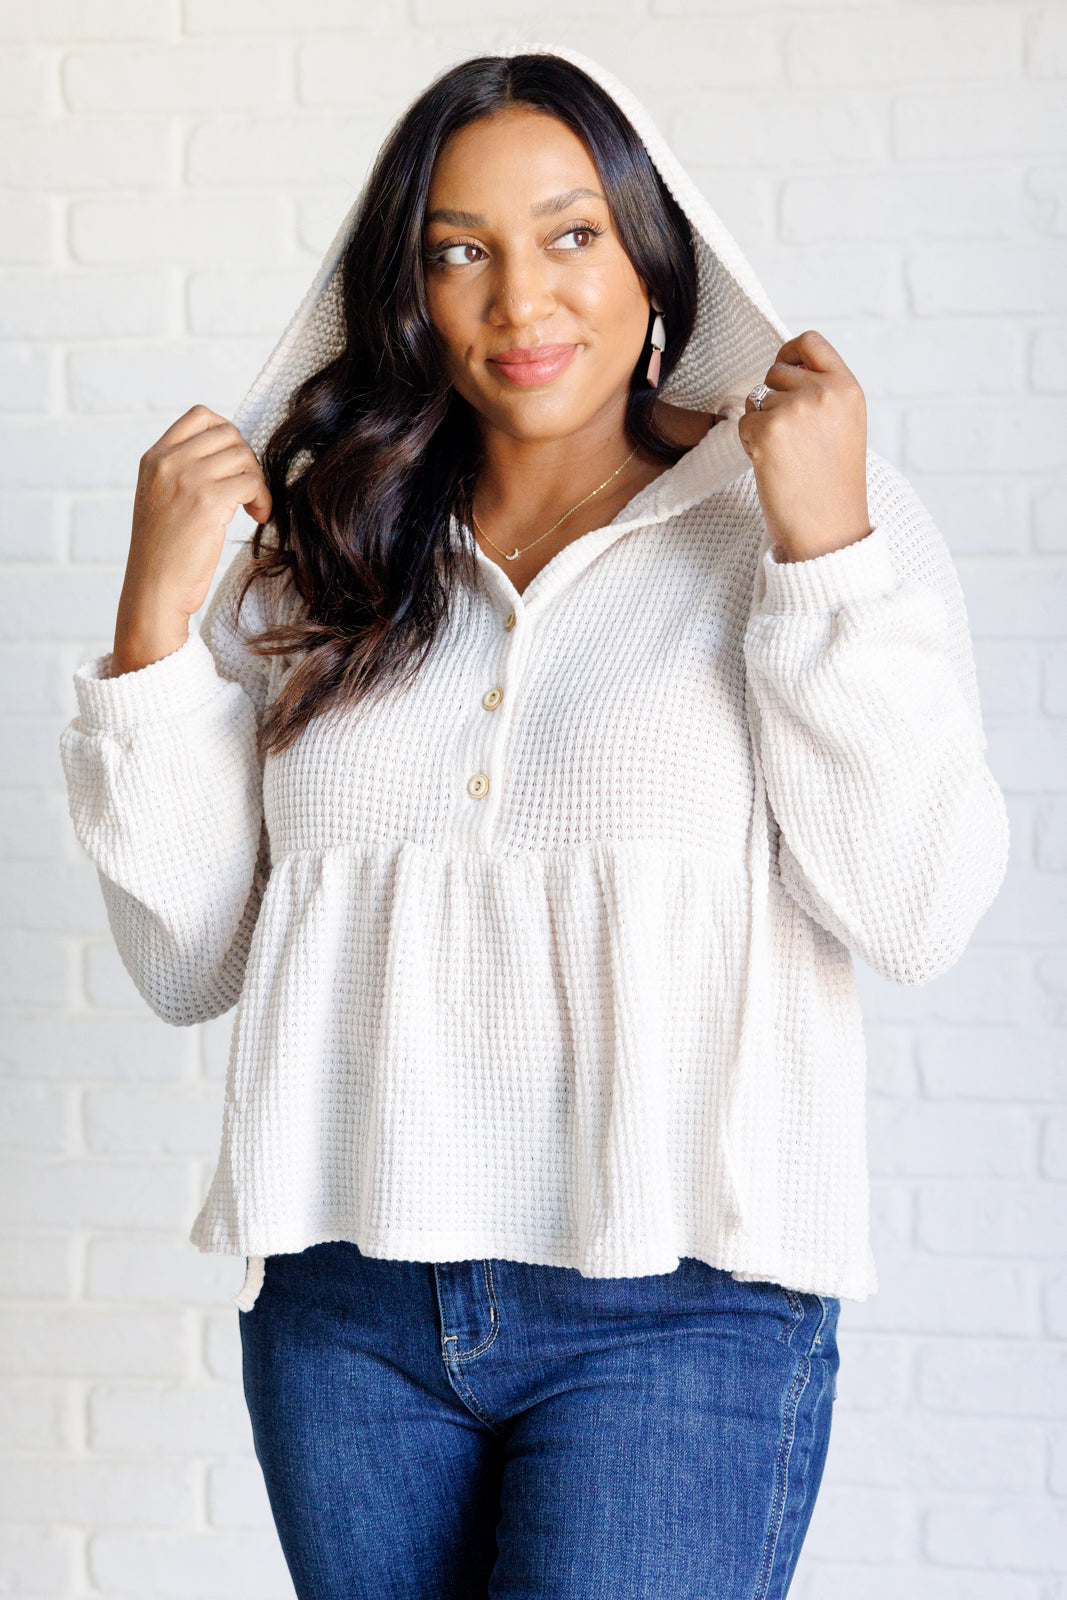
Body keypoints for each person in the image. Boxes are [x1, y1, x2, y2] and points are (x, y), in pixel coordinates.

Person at [59, 42, 1010, 1600]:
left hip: (681, 1306)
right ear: (406, 293)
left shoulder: (805, 514)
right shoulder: (325, 550)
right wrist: (156, 625)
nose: (522, 300)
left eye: (572, 234)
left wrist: (826, 551)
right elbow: (189, 960)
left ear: (654, 253)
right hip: (343, 1303)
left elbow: (911, 910)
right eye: (462, 252)